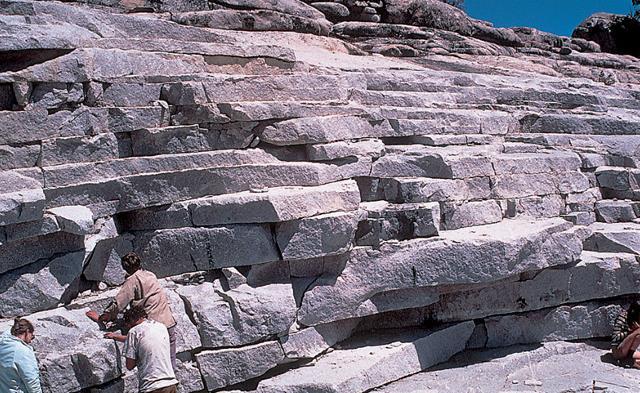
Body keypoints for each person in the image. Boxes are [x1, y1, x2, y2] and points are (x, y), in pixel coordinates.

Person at [86, 252, 177, 368]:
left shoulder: (132, 280)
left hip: (153, 329)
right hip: (168, 324)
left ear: (125, 268)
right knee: (170, 365)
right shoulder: (150, 275)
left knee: (154, 366)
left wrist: (101, 317)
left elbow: (118, 304)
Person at [105, 306, 179, 393]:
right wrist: (117, 336)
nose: (127, 327)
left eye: (127, 324)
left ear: (132, 320)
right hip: (170, 383)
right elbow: (144, 338)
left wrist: (139, 354)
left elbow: (129, 365)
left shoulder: (133, 331)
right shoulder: (161, 327)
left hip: (152, 387)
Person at [0, 318, 42, 393]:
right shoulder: (23, 352)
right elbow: (32, 381)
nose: (31, 340)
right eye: (32, 336)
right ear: (27, 331)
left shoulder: (3, 343)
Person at [611, 302, 640, 366]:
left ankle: (629, 359)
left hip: (628, 351)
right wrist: (630, 332)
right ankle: (629, 360)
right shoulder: (623, 317)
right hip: (618, 351)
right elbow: (615, 337)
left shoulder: (636, 319)